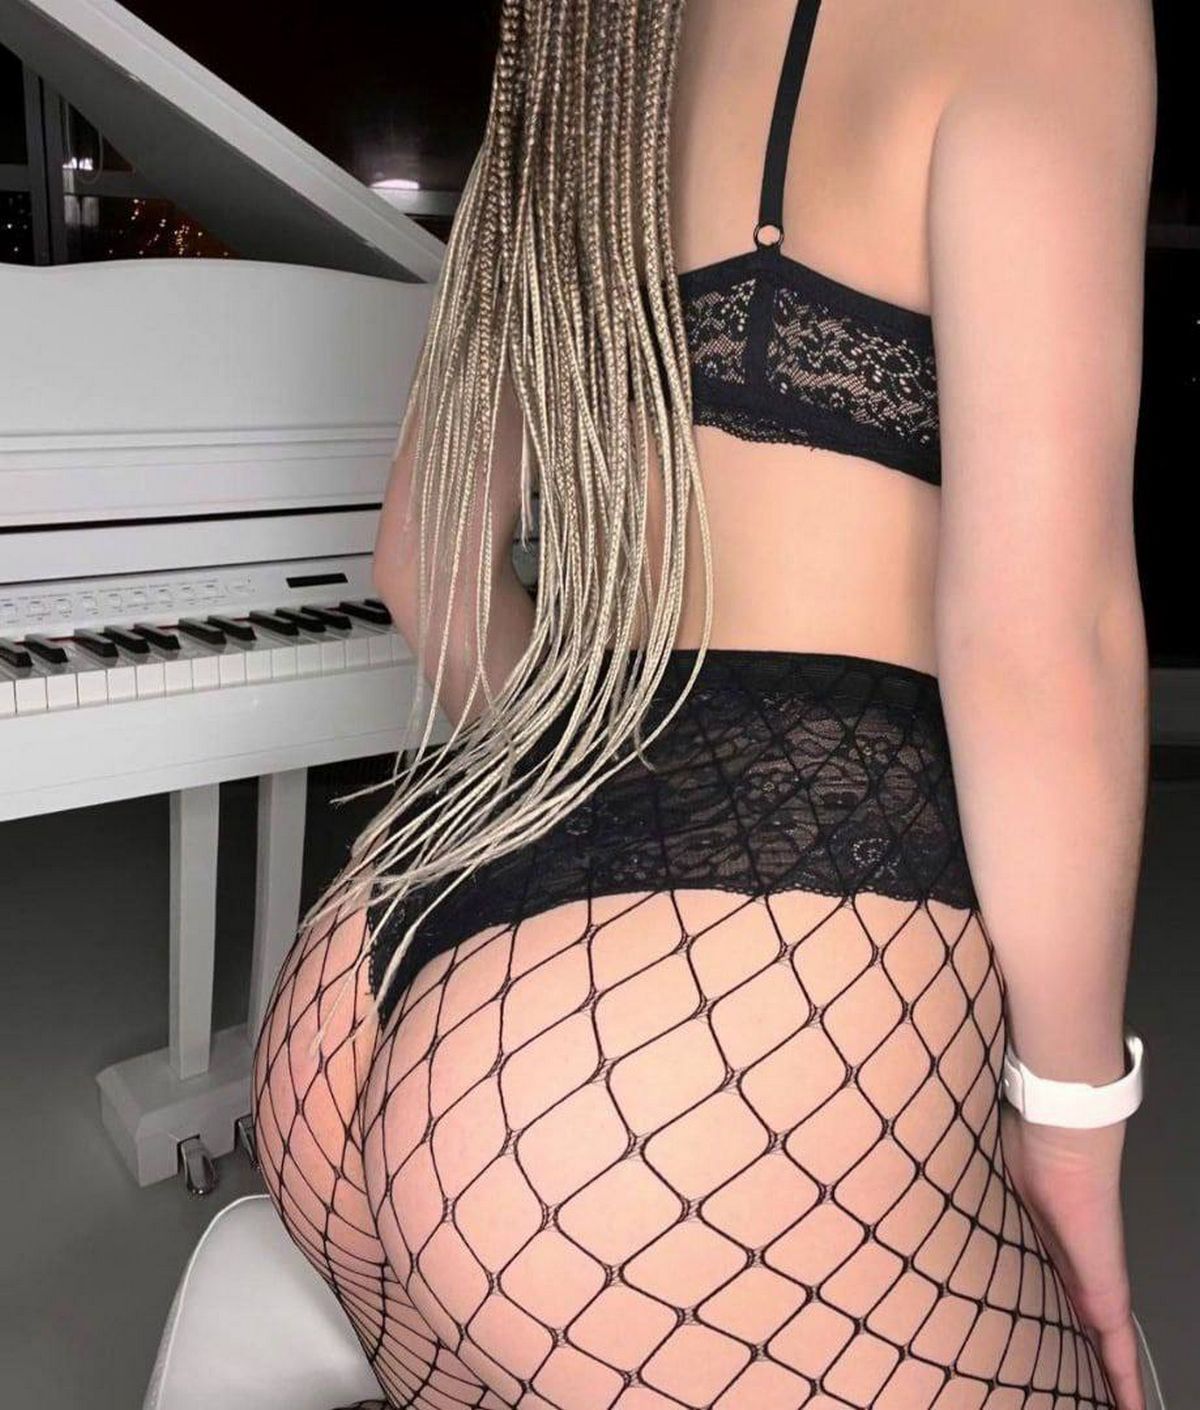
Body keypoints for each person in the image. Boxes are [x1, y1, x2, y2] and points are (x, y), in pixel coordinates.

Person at [251, 1, 1159, 1406]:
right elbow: (1042, 649)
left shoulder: (583, 44)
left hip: (374, 966)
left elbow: (426, 564)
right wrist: (1075, 1127)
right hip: (674, 1070)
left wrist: (592, 863)